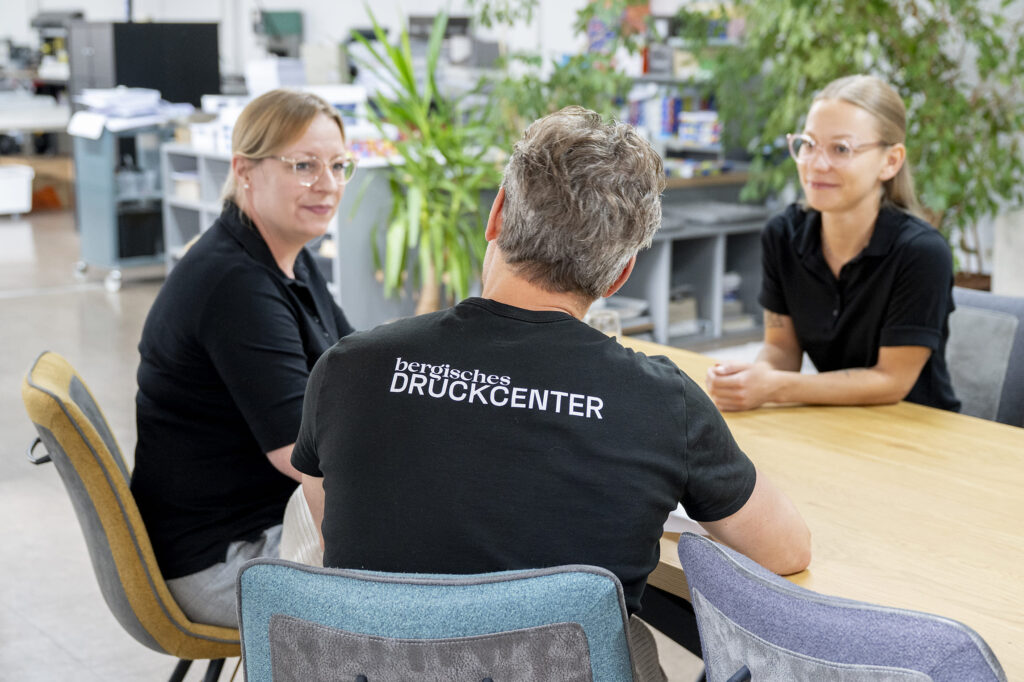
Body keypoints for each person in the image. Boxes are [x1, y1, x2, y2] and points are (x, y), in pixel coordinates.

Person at [291, 107, 811, 671]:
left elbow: (336, 534)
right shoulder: (664, 404)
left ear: (496, 215)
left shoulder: (348, 368)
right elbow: (786, 551)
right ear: (619, 275)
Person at [131, 89, 357, 627]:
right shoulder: (235, 283)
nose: (326, 184)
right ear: (245, 171)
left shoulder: (288, 258)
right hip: (225, 558)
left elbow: (356, 361)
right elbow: (303, 458)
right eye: (303, 165)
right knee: (433, 576)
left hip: (259, 523)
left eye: (338, 165)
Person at [706, 74, 960, 413]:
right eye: (809, 144)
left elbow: (891, 380)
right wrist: (752, 377)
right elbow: (781, 348)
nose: (817, 164)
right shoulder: (782, 234)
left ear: (891, 161)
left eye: (841, 149)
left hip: (917, 431)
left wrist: (775, 387)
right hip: (832, 422)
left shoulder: (922, 253)